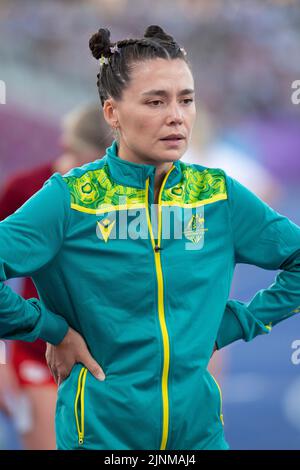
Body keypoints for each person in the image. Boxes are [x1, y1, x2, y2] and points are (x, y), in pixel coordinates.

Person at [0, 25, 300, 450]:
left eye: (186, 100)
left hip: (200, 440)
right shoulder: (69, 200)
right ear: (112, 113)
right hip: (101, 441)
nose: (176, 115)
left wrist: (237, 324)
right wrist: (50, 328)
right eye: (156, 101)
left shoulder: (218, 194)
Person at [0, 103, 112, 449]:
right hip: (38, 357)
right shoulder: (27, 189)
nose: (66, 165)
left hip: (115, 364)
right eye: (68, 152)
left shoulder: (135, 198)